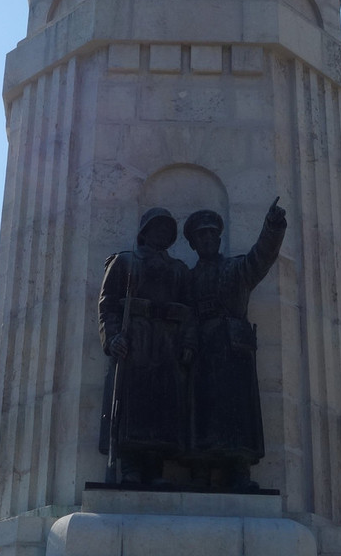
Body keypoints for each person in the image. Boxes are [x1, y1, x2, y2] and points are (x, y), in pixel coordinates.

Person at [183, 200, 285, 490]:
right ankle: (199, 470)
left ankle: (238, 471)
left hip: (233, 348)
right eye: (200, 236)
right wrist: (188, 344)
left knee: (238, 410)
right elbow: (186, 315)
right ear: (193, 244)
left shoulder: (236, 268)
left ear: (219, 238)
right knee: (200, 409)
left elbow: (262, 257)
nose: (207, 239)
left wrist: (272, 227)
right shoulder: (188, 279)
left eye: (211, 234)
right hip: (202, 349)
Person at [98, 207, 194, 484]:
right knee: (132, 404)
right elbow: (107, 306)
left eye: (167, 230)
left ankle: (156, 468)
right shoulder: (124, 262)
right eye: (157, 228)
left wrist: (188, 342)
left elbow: (190, 313)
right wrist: (112, 337)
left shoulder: (179, 270)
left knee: (162, 405)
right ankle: (130, 467)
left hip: (166, 344)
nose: (162, 233)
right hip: (135, 340)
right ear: (145, 232)